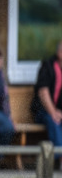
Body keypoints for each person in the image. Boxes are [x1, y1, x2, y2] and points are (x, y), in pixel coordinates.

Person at [31, 39, 62, 168]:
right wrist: (53, 112)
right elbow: (43, 92)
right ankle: (59, 157)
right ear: (59, 53)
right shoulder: (47, 66)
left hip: (59, 111)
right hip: (43, 111)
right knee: (53, 120)